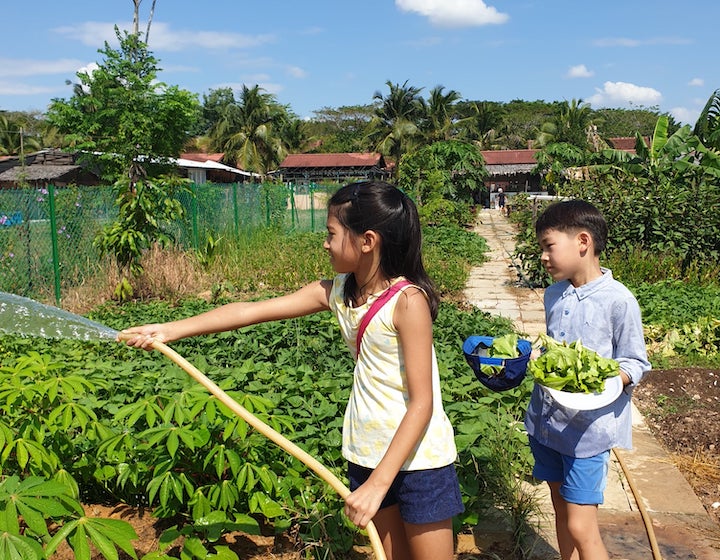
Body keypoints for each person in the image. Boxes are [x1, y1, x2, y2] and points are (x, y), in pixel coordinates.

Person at [119, 181, 463, 560]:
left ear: (367, 241)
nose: (325, 243)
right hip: (368, 451)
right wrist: (167, 330)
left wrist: (379, 485)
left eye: (331, 234)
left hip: (420, 460)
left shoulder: (407, 302)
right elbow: (251, 310)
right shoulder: (340, 292)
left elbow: (422, 403)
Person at [524, 200, 650, 560]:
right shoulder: (553, 294)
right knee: (561, 512)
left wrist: (616, 378)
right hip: (547, 425)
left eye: (549, 246)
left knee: (581, 525)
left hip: (587, 434)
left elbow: (635, 361)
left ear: (583, 242)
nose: (544, 257)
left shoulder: (618, 301)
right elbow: (554, 351)